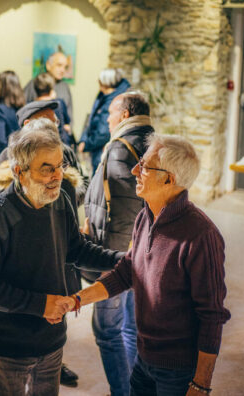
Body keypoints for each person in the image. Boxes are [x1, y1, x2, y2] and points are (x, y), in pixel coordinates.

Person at [0, 118, 123, 396]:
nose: (57, 176)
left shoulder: (59, 201)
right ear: (19, 171)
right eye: (46, 169)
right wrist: (39, 305)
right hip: (8, 346)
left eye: (59, 166)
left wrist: (120, 260)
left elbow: (76, 249)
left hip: (51, 341)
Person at [74, 134, 231, 396]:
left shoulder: (201, 236)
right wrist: (78, 299)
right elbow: (127, 271)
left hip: (178, 370)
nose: (135, 170)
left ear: (168, 178)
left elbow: (212, 315)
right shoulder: (145, 216)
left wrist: (201, 384)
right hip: (143, 358)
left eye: (144, 166)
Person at [82, 92, 154, 396]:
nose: (108, 120)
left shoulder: (120, 148)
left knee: (107, 331)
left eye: (111, 114)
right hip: (142, 253)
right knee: (128, 327)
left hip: (120, 256)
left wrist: (112, 267)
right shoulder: (153, 142)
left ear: (124, 115)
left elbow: (124, 214)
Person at [79, 69, 130, 175]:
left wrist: (87, 144)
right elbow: (92, 118)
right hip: (97, 148)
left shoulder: (115, 101)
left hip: (103, 149)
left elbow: (104, 132)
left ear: (106, 83)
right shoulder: (104, 95)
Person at [24, 52, 73, 124]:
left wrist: (68, 127)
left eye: (65, 67)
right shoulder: (35, 83)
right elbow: (23, 108)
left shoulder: (65, 87)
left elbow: (69, 112)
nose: (62, 70)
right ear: (48, 65)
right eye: (59, 65)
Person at [32, 72, 73, 146]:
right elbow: (67, 124)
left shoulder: (31, 106)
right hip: (58, 147)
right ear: (51, 88)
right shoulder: (59, 104)